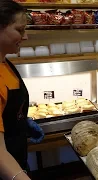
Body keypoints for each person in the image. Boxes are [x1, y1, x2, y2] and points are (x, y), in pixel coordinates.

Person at [0, 1, 44, 179]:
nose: (25, 37)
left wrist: (20, 122)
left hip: (17, 159)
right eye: (20, 30)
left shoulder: (5, 63)